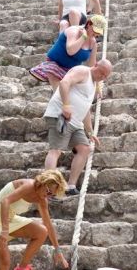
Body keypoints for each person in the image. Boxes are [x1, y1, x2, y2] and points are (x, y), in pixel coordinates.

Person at [44, 59, 113, 196]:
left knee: (84, 149)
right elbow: (64, 83)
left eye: (105, 76)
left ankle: (71, 186)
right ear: (95, 66)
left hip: (76, 123)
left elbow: (85, 109)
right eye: (101, 73)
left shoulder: (94, 85)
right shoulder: (82, 71)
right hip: (60, 116)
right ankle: (49, 188)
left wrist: (90, 132)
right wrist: (66, 105)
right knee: (56, 151)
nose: (102, 77)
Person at [0, 169, 68, 270]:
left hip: (10, 218)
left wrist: (58, 251)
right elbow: (5, 202)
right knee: (5, 262)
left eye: (52, 195)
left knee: (42, 231)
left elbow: (48, 225)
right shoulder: (28, 186)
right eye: (48, 191)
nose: (48, 196)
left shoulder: (42, 200)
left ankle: (22, 268)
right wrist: (5, 230)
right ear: (42, 183)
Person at [30, 15, 106, 87]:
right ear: (88, 25)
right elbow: (70, 51)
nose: (96, 34)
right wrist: (83, 37)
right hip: (55, 64)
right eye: (95, 31)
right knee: (59, 90)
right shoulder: (73, 30)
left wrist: (96, 85)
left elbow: (92, 65)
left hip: (71, 71)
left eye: (98, 33)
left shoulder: (93, 42)